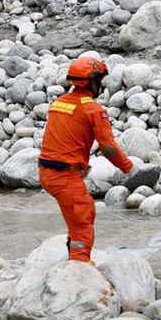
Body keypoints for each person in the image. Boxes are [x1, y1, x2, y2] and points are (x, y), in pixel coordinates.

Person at [39, 57, 132, 263]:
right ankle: (80, 267)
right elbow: (108, 149)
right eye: (99, 81)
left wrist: (80, 162)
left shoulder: (59, 103)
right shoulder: (92, 109)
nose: (100, 85)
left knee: (85, 211)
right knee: (82, 226)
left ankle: (72, 255)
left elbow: (62, 137)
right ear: (91, 82)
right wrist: (129, 168)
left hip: (48, 172)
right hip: (65, 176)